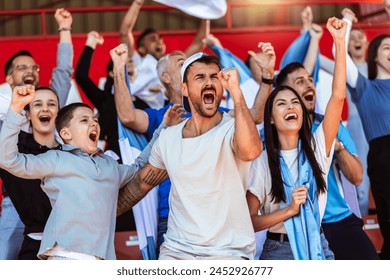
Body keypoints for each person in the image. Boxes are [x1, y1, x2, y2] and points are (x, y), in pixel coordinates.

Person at [0, 78, 173, 259]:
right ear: (66, 133)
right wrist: (16, 109)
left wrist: (163, 127)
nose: (93, 123)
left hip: (101, 259)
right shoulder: (56, 158)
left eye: (94, 120)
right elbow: (8, 159)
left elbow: (139, 166)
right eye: (84, 120)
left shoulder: (110, 165)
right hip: (64, 257)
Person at [119, 52, 263, 259]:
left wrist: (237, 93)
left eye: (214, 77)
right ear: (184, 89)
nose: (209, 82)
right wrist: (103, 216)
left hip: (228, 253)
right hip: (176, 252)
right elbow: (140, 185)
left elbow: (250, 151)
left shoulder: (233, 128)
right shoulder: (168, 137)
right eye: (200, 77)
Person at [247, 17, 348, 260]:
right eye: (281, 104)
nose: (290, 107)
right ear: (271, 119)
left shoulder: (316, 146)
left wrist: (340, 42)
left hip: (318, 244)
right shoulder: (262, 161)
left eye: (294, 102)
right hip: (278, 251)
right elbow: (250, 221)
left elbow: (337, 98)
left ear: (302, 113)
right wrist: (289, 210)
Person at [0, 8, 74, 260]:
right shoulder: (1, 108)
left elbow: (63, 73)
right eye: (22, 67)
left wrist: (64, 28)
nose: (30, 70)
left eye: (34, 67)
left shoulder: (45, 102)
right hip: (15, 203)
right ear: (9, 77)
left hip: (57, 202)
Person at [320, 8, 371, 217]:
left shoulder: (377, 67)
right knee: (362, 181)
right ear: (348, 44)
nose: (357, 41)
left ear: (368, 43)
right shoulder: (345, 68)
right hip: (358, 126)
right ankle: (365, 225)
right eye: (354, 38)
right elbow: (320, 60)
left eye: (362, 37)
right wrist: (346, 21)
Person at [0, 87, 61, 260]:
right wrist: (16, 107)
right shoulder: (14, 152)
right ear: (28, 114)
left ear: (58, 113)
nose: (45, 109)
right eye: (37, 104)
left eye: (51, 104)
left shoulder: (73, 152)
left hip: (74, 248)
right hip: (34, 246)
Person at [346, 33, 390, 260]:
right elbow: (339, 56)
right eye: (387, 48)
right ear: (374, 55)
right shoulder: (366, 88)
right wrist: (345, 26)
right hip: (385, 154)